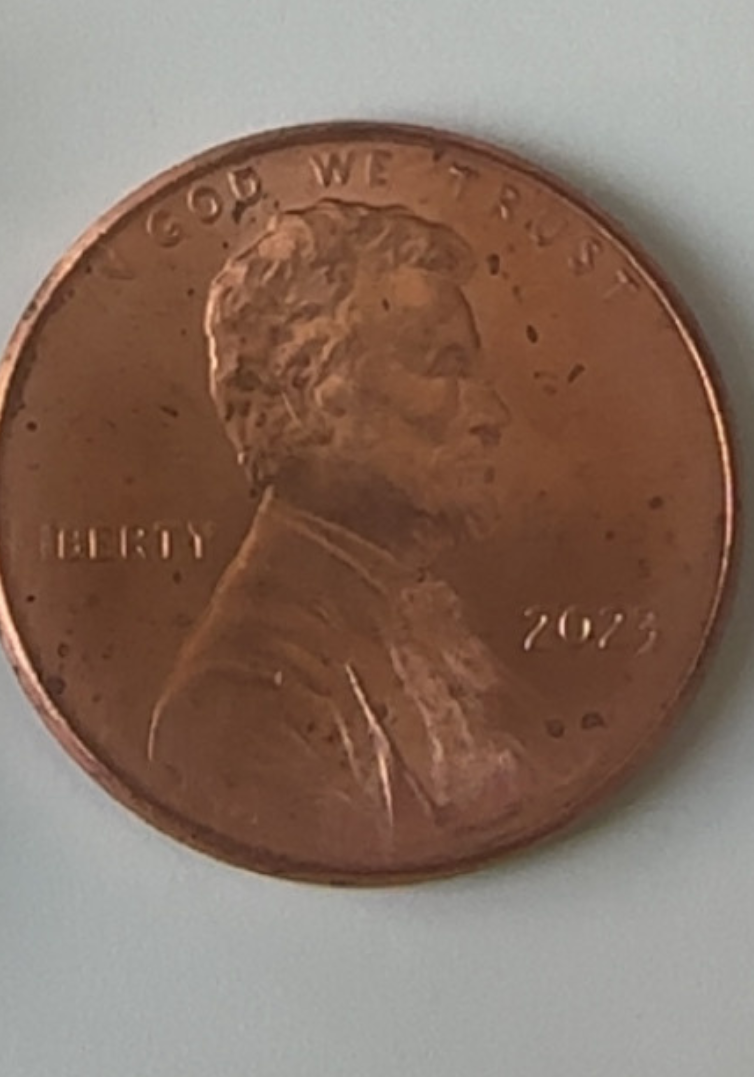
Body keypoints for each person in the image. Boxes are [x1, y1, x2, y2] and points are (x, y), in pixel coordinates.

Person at [148, 201, 535, 870]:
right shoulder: (243, 699)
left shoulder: (416, 624)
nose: (491, 414)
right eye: (443, 366)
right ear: (307, 394)